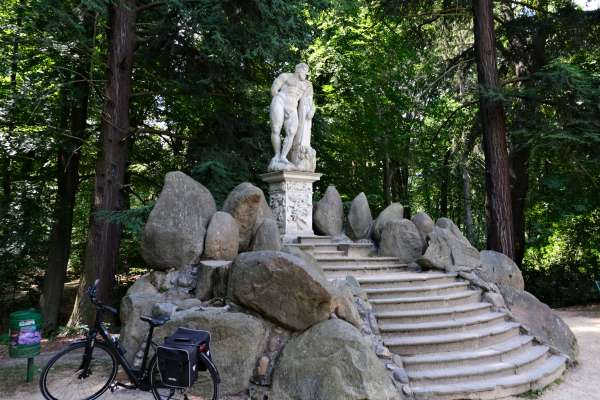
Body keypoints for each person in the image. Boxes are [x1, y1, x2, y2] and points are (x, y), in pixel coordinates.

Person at [268, 63, 312, 171]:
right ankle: (277, 156)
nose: (305, 73)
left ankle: (283, 156)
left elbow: (309, 102)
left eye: (306, 71)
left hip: (292, 107)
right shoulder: (285, 76)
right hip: (280, 100)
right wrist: (278, 99)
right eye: (304, 70)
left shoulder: (307, 85)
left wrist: (312, 111)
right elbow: (274, 90)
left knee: (292, 131)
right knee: (276, 129)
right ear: (297, 70)